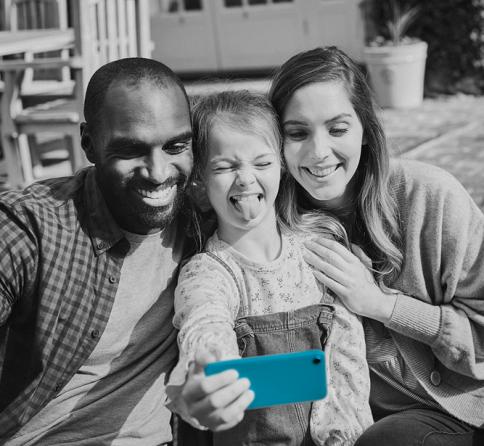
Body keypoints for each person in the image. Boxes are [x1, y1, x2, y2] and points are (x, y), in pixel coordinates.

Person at [0, 57, 247, 445]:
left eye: (175, 146)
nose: (158, 171)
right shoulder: (31, 229)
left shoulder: (207, 217)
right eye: (131, 150)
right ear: (89, 144)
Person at [266, 46, 484, 445]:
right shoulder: (269, 229)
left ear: (365, 130)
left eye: (337, 129)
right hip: (369, 426)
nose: (318, 153)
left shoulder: (429, 197)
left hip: (467, 408)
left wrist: (384, 305)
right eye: (297, 133)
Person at [165, 89, 373, 446]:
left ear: (281, 168)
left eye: (261, 163)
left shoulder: (321, 250)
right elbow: (204, 322)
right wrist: (209, 367)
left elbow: (347, 361)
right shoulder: (208, 272)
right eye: (225, 167)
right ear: (200, 182)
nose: (245, 178)